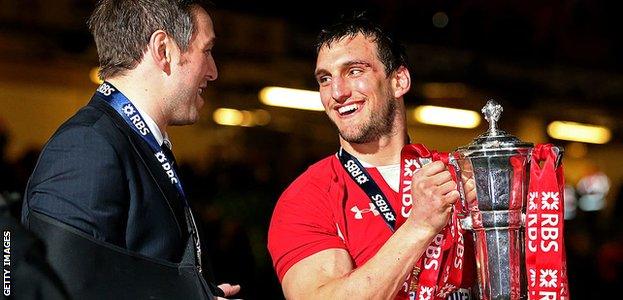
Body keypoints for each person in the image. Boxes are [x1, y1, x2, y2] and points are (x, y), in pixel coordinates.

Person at [21, 1, 239, 299]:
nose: (213, 71)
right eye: (207, 50)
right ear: (164, 50)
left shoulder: (132, 142)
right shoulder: (88, 146)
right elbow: (59, 290)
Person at [267, 15, 477, 299]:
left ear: (399, 81)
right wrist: (419, 225)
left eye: (354, 71)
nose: (337, 93)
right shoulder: (308, 197)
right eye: (325, 79)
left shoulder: (455, 178)